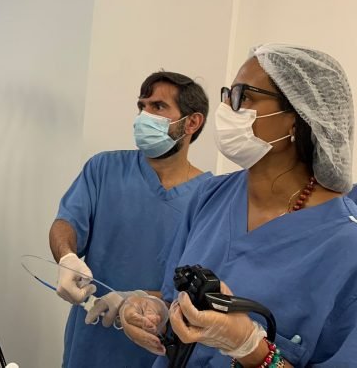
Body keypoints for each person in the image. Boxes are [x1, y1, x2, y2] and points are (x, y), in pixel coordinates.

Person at [118, 44, 357, 367]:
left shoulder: (345, 249)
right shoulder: (210, 196)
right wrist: (153, 312)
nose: (227, 109)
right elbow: (176, 301)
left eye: (244, 97)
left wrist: (250, 348)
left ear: (298, 118)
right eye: (228, 95)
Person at [49, 71, 212, 368]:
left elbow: (203, 288)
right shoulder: (104, 168)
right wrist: (67, 257)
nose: (144, 116)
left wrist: (135, 299)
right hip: (92, 344)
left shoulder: (209, 196)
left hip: (160, 350)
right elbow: (66, 223)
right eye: (142, 106)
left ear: (192, 122)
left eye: (158, 107)